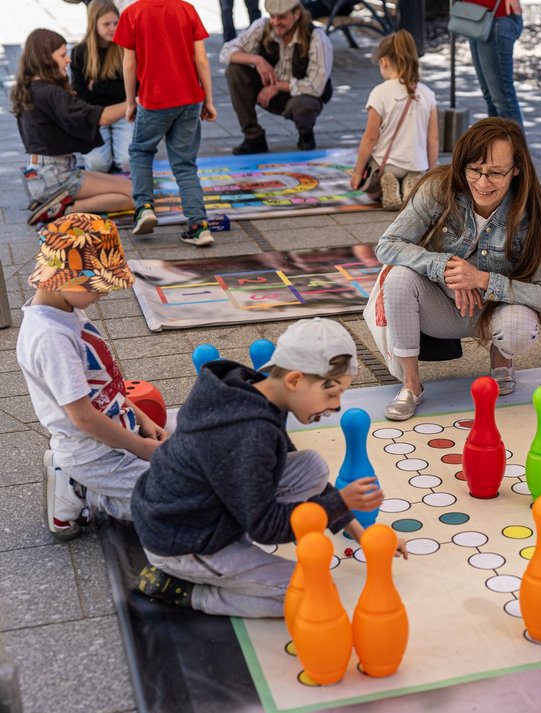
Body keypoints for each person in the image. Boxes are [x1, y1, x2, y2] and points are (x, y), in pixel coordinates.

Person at [131, 318, 408, 617]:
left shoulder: (250, 391)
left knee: (311, 465)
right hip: (186, 539)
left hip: (198, 510)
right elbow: (265, 527)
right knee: (312, 590)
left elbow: (285, 464)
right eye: (331, 393)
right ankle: (188, 591)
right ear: (294, 380)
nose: (336, 405)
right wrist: (338, 502)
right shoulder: (249, 433)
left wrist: (361, 534)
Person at [371, 117, 541, 421]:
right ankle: (411, 384)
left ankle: (502, 357)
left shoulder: (532, 214)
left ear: (517, 169)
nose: (483, 182)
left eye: (496, 172)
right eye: (475, 170)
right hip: (442, 306)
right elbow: (387, 245)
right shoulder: (439, 188)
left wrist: (482, 279)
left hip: (497, 310)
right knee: (399, 278)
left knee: (518, 330)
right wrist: (445, 266)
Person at [16, 214, 167, 542]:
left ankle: (83, 480)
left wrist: (142, 420)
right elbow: (83, 417)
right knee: (172, 506)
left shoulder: (67, 310)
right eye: (97, 287)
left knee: (186, 473)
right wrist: (141, 447)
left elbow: (104, 386)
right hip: (94, 455)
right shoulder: (50, 337)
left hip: (117, 435)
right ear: (65, 279)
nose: (104, 295)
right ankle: (85, 492)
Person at [113, 0, 217, 247]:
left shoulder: (132, 13)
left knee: (140, 151)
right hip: (190, 98)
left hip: (154, 99)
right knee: (184, 164)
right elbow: (201, 59)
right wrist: (209, 100)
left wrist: (130, 102)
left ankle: (144, 208)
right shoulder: (187, 10)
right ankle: (199, 226)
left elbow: (129, 63)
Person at [11, 28, 133, 226]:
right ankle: (64, 209)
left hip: (42, 173)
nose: (67, 60)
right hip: (56, 176)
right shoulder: (50, 93)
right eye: (62, 55)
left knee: (127, 187)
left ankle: (51, 203)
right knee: (134, 195)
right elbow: (101, 117)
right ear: (45, 58)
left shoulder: (29, 87)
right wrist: (135, 102)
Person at [220, 0, 333, 154]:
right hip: (266, 92)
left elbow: (316, 86)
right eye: (273, 17)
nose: (275, 22)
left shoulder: (316, 37)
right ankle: (254, 137)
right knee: (235, 71)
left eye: (281, 18)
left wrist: (277, 86)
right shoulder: (263, 26)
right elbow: (226, 52)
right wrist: (258, 60)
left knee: (303, 105)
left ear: (296, 14)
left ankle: (305, 134)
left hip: (300, 96)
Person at [350, 30, 438, 211]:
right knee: (414, 175)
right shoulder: (428, 94)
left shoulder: (380, 93)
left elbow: (370, 137)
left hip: (387, 164)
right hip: (417, 164)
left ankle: (388, 183)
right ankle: (412, 183)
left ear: (384, 61)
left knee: (371, 192)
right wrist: (430, 169)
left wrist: (358, 172)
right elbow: (433, 138)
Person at [71, 1, 133, 174]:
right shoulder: (80, 52)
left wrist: (97, 86)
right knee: (99, 165)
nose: (112, 28)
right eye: (106, 24)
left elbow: (131, 88)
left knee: (127, 161)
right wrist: (113, 88)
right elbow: (82, 94)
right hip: (94, 116)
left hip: (123, 111)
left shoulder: (125, 48)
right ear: (93, 24)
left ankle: (116, 152)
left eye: (116, 23)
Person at [466, 0, 524, 127]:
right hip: (476, 15)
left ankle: (515, 146)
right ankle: (497, 145)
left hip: (496, 17)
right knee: (490, 96)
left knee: (503, 100)